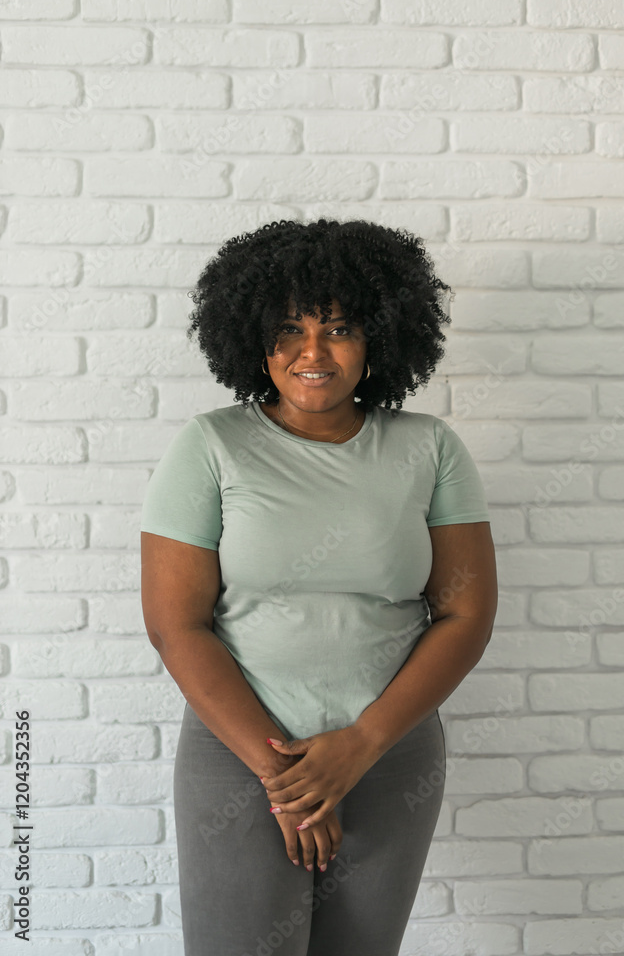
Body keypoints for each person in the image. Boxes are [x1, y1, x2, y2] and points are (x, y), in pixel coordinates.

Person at [140, 217, 497, 956]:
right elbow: (178, 624)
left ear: (379, 339)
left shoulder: (428, 449)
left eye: (337, 329)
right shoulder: (210, 446)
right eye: (288, 330)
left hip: (389, 753)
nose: (312, 353)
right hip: (238, 756)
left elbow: (464, 612)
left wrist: (359, 747)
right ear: (250, 337)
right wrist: (286, 780)